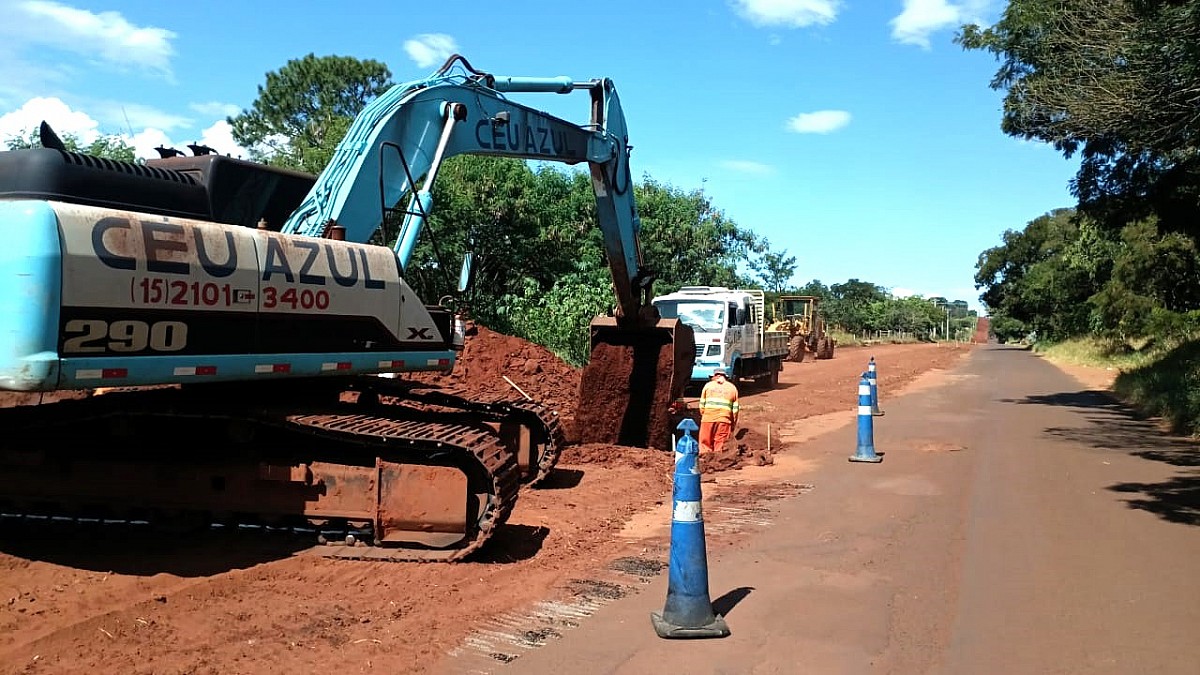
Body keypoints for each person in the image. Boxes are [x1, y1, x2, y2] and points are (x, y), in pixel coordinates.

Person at [698, 367, 739, 457]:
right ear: (725, 377)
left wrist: (704, 415)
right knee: (720, 442)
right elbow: (735, 410)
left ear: (714, 376)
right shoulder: (732, 388)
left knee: (705, 441)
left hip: (708, 418)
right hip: (724, 420)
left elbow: (701, 405)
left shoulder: (708, 386)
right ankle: (718, 460)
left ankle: (705, 459)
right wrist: (733, 423)